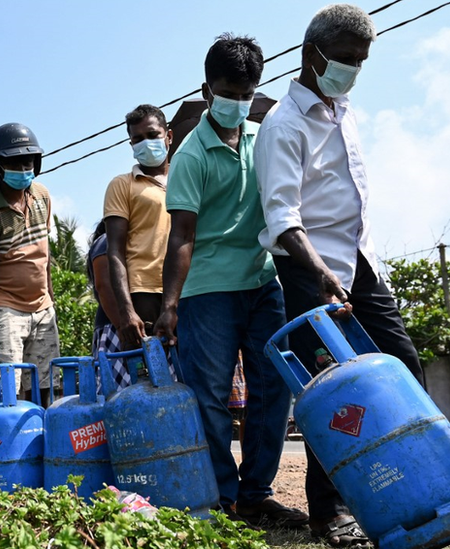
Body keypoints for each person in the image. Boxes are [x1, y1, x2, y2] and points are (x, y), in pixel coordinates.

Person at [253, 5, 421, 547]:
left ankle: (403, 484)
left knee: (403, 364)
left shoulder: (343, 109)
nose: (352, 69)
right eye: (345, 59)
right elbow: (283, 218)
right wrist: (320, 269)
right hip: (309, 270)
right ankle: (329, 512)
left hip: (359, 262)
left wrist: (349, 264)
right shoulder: (283, 125)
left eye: (360, 61)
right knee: (337, 384)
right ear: (312, 55)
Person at [155, 34, 304, 530]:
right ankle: (221, 496)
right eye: (228, 93)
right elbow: (182, 234)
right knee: (210, 396)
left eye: (247, 93)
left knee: (272, 389)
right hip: (207, 290)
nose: (238, 103)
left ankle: (255, 494)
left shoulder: (265, 137)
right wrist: (170, 304)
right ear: (206, 90)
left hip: (263, 281)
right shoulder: (190, 156)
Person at [0, 122, 60, 404]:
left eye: (28, 161)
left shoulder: (42, 196)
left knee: (46, 386)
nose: (23, 169)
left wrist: (51, 300)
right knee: (8, 391)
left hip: (42, 307)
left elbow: (43, 255)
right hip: (7, 309)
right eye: (15, 162)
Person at [104, 105, 172, 384]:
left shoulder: (188, 177)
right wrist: (126, 310)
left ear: (169, 136)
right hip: (143, 292)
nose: (146, 143)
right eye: (137, 139)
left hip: (187, 291)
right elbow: (115, 252)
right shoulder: (122, 185)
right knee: (148, 382)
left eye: (152, 135)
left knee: (190, 379)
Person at [86, 220, 124, 379]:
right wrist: (122, 326)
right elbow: (104, 286)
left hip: (117, 326)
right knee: (117, 391)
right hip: (115, 327)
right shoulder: (105, 242)